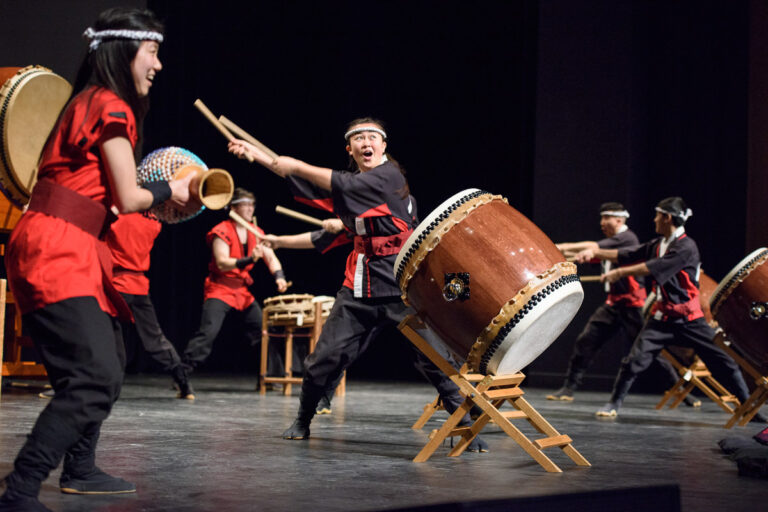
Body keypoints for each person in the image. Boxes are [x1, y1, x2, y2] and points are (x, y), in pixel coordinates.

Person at [0, 8, 192, 510]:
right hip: (57, 245)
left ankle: (80, 468)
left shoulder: (88, 101)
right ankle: (19, 491)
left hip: (76, 244)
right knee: (93, 375)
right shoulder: (111, 105)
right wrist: (174, 187)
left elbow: (105, 199)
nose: (158, 64)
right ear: (125, 50)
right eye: (152, 51)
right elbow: (128, 198)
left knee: (107, 360)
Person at [229, 117, 488, 452]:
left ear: (383, 146)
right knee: (324, 359)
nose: (366, 143)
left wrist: (297, 164)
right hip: (359, 291)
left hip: (403, 289)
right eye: (358, 138)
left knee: (437, 361)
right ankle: (303, 418)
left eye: (372, 137)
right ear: (349, 149)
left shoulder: (390, 179)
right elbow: (317, 217)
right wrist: (259, 156)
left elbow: (335, 184)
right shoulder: (352, 195)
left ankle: (467, 430)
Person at [574, 197, 763, 420]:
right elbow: (628, 254)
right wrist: (594, 253)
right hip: (661, 318)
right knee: (633, 362)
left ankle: (748, 409)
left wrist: (619, 273)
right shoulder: (658, 244)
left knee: (725, 363)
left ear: (667, 218)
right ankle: (613, 403)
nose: (654, 220)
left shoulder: (686, 246)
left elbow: (655, 267)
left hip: (690, 318)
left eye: (657, 215)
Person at [547, 202, 699, 406]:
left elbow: (593, 247)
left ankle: (681, 392)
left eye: (606, 218)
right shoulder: (611, 242)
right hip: (613, 305)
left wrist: (563, 247)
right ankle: (568, 388)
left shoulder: (627, 238)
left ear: (619, 220)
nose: (602, 223)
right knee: (586, 342)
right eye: (601, 218)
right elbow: (592, 253)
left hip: (633, 305)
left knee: (650, 353)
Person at [181, 188, 289, 379]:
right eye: (245, 204)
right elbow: (222, 262)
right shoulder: (221, 231)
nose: (250, 209)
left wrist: (279, 277)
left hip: (242, 291)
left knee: (263, 332)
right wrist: (249, 259)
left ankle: (272, 376)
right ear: (234, 207)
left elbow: (271, 258)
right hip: (220, 288)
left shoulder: (256, 231)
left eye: (252, 204)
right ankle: (183, 373)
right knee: (208, 332)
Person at [106, 212, 194, 399]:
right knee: (155, 339)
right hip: (139, 285)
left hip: (117, 284)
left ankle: (107, 388)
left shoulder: (117, 216)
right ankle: (183, 383)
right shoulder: (154, 222)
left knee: (110, 338)